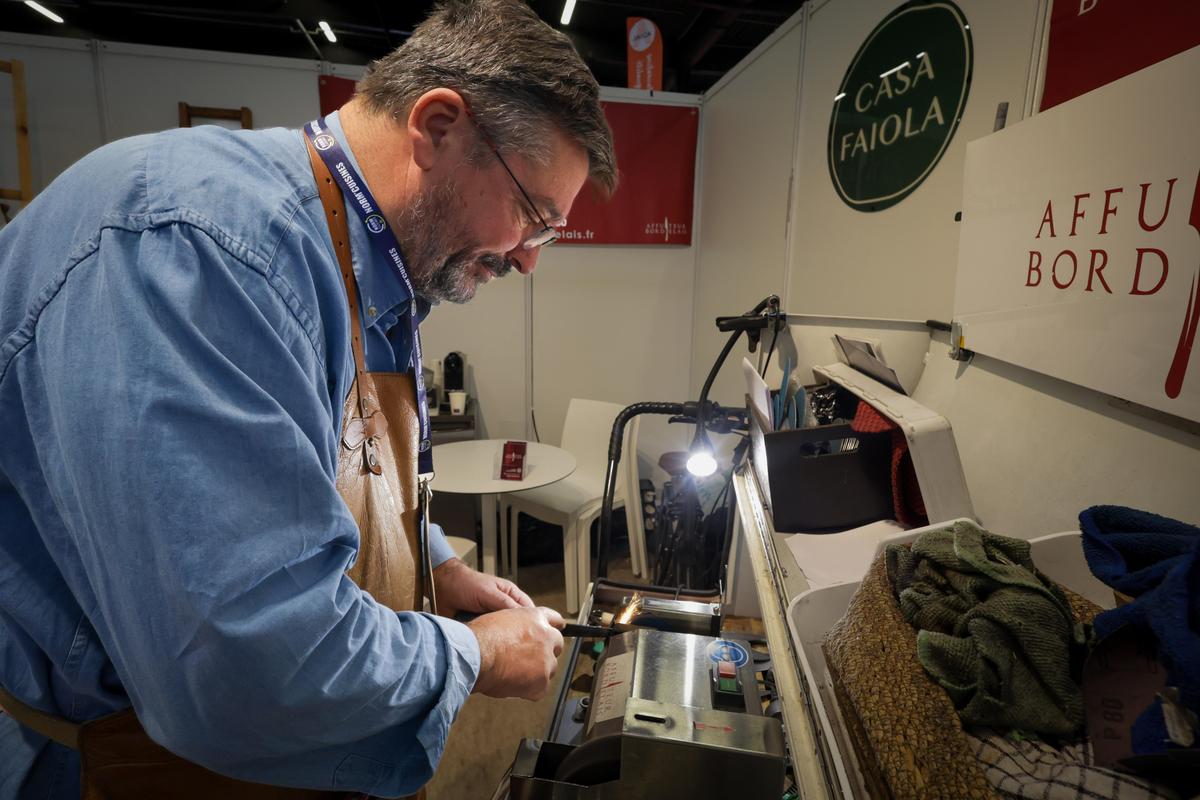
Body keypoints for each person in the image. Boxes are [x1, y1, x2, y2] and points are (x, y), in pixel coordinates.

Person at [0, 0, 617, 797]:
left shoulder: (363, 262)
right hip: (102, 764)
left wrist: (436, 570)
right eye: (532, 218)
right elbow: (249, 662)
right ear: (438, 126)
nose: (528, 261)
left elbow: (318, 470)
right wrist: (481, 653)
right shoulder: (203, 254)